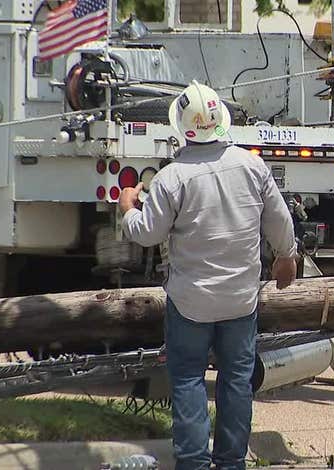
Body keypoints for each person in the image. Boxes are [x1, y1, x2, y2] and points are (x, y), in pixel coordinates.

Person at [120, 81, 297, 470]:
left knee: (187, 380)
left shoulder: (172, 178)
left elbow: (147, 233)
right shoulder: (252, 165)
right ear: (221, 123)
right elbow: (279, 221)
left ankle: (195, 463)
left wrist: (128, 208)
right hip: (240, 300)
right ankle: (231, 462)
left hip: (190, 303)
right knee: (236, 381)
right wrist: (287, 256)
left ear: (180, 128)